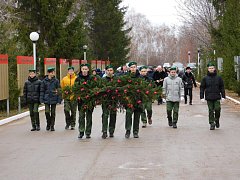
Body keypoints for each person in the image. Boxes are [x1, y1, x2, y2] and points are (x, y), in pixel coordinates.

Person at [200, 62, 225, 130]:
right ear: (208, 69)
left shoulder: (219, 78)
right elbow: (202, 87)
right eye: (210, 68)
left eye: (212, 68)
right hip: (209, 97)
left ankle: (216, 120)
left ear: (214, 69)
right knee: (210, 110)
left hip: (217, 96)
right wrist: (201, 97)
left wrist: (223, 96)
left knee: (217, 109)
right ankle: (212, 123)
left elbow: (222, 87)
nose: (211, 69)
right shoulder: (205, 78)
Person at [75, 64, 94, 139]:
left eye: (86, 69)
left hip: (90, 100)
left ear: (88, 70)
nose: (85, 71)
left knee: (89, 117)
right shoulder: (78, 79)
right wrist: (78, 96)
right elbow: (75, 89)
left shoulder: (91, 78)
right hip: (81, 101)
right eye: (83, 69)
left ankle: (88, 132)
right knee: (81, 117)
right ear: (81, 70)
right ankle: (81, 131)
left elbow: (95, 88)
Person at [125, 61, 142, 138]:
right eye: (131, 67)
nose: (133, 69)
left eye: (134, 67)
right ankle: (128, 130)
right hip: (129, 100)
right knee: (128, 114)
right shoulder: (126, 77)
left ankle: (135, 131)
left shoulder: (140, 77)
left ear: (136, 68)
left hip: (138, 99)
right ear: (129, 68)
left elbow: (144, 88)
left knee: (137, 116)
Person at [101, 65, 117, 139]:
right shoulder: (103, 80)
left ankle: (111, 131)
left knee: (113, 115)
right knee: (105, 115)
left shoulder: (116, 79)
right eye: (108, 70)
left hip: (114, 100)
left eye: (111, 70)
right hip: (105, 100)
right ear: (106, 71)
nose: (110, 72)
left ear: (113, 71)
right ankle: (104, 131)